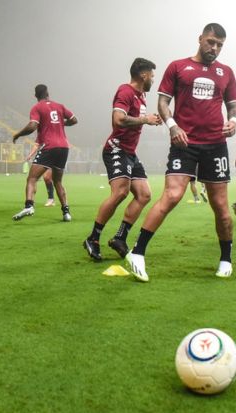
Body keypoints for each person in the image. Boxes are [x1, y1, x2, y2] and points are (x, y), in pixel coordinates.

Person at [126, 23, 236, 281]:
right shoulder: (178, 67)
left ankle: (225, 258)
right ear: (200, 38)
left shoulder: (227, 72)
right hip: (184, 142)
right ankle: (138, 252)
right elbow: (163, 102)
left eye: (220, 45)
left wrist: (233, 122)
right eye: (211, 42)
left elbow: (233, 106)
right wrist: (172, 126)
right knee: (173, 194)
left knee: (221, 206)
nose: (214, 48)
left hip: (215, 145)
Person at [83, 57, 162, 261]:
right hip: (116, 149)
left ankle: (120, 238)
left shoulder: (141, 95)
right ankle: (93, 238)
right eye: (152, 76)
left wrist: (149, 119)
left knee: (144, 194)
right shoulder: (125, 91)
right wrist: (146, 120)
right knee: (120, 192)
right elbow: (118, 120)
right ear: (143, 74)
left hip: (130, 153)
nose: (153, 79)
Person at [12, 84, 77, 222]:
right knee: (58, 181)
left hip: (49, 146)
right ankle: (66, 212)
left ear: (35, 96)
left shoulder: (37, 107)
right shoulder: (59, 106)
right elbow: (74, 120)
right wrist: (60, 123)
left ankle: (29, 205)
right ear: (48, 93)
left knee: (32, 178)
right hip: (64, 147)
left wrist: (18, 134)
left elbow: (32, 126)